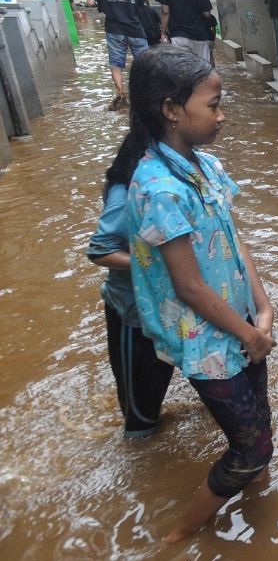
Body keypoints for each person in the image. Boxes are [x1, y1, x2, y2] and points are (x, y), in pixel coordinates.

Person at [120, 45, 276, 543]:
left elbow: (233, 238)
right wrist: (246, 332)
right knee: (251, 448)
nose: (222, 115)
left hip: (242, 324)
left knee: (259, 428)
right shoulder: (158, 187)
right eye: (213, 105)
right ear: (171, 110)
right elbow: (187, 285)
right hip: (208, 340)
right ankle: (181, 534)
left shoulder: (203, 166)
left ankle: (262, 507)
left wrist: (263, 307)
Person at [87, 138, 176, 439]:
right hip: (132, 313)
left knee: (161, 379)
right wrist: (157, 264)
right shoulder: (124, 194)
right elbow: (99, 251)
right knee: (139, 415)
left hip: (167, 307)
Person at [87, 0, 150, 111]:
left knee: (116, 65)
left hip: (114, 30)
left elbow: (90, 2)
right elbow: (141, 9)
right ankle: (146, 95)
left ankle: (121, 94)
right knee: (146, 63)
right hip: (135, 30)